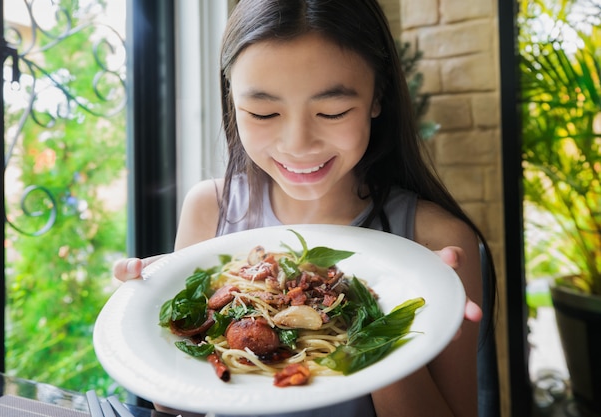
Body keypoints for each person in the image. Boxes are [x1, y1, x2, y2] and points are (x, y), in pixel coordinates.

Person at [114, 0, 498, 416]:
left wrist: (394, 330)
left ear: (377, 96)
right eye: (264, 112)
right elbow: (174, 409)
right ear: (232, 100)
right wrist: (160, 316)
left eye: (332, 111)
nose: (297, 144)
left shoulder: (436, 241)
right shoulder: (210, 208)